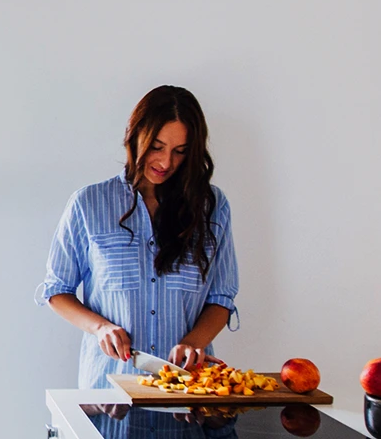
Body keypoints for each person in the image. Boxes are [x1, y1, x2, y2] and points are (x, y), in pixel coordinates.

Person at [34, 85, 240, 390]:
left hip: (186, 391)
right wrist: (100, 327)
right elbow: (57, 291)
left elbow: (221, 297)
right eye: (156, 146)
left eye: (180, 151)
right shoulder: (89, 204)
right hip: (109, 391)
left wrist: (194, 343)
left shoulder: (212, 206)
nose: (166, 162)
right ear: (135, 136)